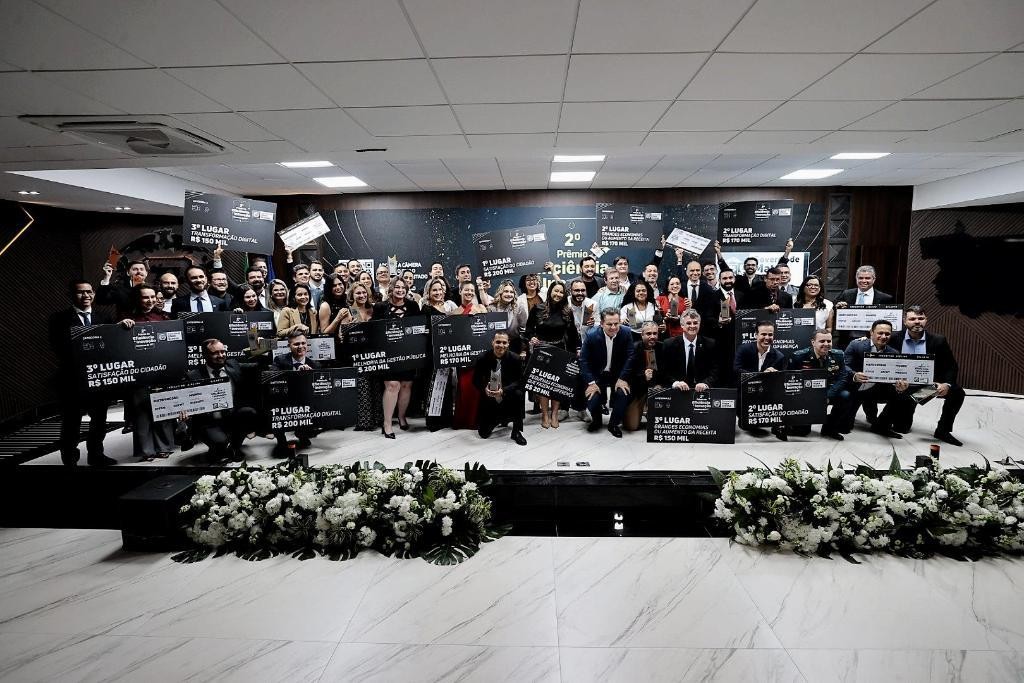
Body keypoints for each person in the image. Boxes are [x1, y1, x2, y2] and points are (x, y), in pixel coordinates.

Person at [48, 280, 117, 466]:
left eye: (89, 292)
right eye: (80, 292)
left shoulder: (105, 318)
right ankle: (70, 458)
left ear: (93, 293)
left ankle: (96, 454)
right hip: (72, 379)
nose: (86, 295)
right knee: (72, 422)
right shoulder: (58, 319)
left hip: (99, 378)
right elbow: (59, 347)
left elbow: (112, 345)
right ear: (71, 295)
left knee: (99, 420)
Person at [890, 305, 965, 446]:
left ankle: (943, 430)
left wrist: (946, 384)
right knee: (901, 428)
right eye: (912, 319)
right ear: (904, 321)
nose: (917, 322)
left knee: (957, 392)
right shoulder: (894, 338)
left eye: (921, 318)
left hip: (927, 388)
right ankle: (908, 406)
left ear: (926, 320)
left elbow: (951, 366)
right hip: (903, 388)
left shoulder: (938, 340)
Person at [181, 338, 258, 464]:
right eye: (215, 353)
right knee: (220, 444)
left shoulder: (233, 365)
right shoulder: (194, 376)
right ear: (205, 355)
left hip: (232, 417)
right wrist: (184, 414)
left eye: (222, 351)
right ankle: (219, 447)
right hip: (209, 422)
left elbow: (257, 367)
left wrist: (259, 350)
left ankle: (235, 446)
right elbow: (184, 401)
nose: (221, 355)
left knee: (249, 413)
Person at [121, 285, 175, 461]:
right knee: (141, 413)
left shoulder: (163, 317)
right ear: (137, 299)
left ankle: (164, 447)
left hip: (162, 372)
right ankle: (146, 451)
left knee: (163, 409)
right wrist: (120, 327)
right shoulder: (126, 318)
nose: (151, 300)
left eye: (153, 297)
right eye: (146, 297)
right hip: (138, 374)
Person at [843, 319, 914, 439]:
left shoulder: (893, 352)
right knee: (844, 426)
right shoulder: (856, 345)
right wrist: (854, 375)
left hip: (876, 389)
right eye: (880, 333)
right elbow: (844, 366)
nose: (884, 336)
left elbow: (896, 376)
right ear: (871, 332)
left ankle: (882, 426)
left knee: (903, 394)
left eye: (887, 334)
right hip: (856, 387)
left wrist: (900, 386)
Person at [525, 281, 581, 429]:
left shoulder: (567, 311)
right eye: (556, 291)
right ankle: (545, 414)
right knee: (543, 384)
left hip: (560, 350)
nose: (558, 294)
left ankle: (555, 413)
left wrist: (578, 348)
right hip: (542, 350)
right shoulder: (538, 308)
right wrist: (532, 337)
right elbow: (528, 330)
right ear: (550, 291)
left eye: (561, 292)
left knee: (556, 384)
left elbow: (573, 333)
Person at [374, 279, 420, 438]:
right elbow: (375, 329)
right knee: (393, 385)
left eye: (403, 288)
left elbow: (418, 327)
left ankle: (401, 417)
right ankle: (387, 424)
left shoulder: (413, 306)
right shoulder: (380, 307)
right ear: (391, 289)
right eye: (397, 287)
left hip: (408, 353)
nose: (400, 290)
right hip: (388, 354)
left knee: (406, 385)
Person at [579, 308, 635, 438]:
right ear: (602, 324)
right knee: (592, 398)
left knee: (623, 394)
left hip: (617, 374)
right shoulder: (591, 335)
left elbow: (631, 356)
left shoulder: (626, 332)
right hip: (597, 374)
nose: (613, 327)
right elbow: (583, 360)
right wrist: (591, 383)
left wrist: (623, 378)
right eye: (609, 324)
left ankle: (613, 424)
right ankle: (597, 421)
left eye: (616, 323)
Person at [788, 329, 851, 441]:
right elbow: (791, 380)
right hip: (806, 393)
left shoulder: (838, 355)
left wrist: (827, 396)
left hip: (828, 390)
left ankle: (830, 428)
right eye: (822, 341)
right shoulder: (799, 356)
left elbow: (842, 378)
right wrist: (813, 398)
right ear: (813, 342)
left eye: (829, 341)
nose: (826, 344)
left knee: (845, 395)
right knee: (803, 432)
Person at [734, 320, 789, 441]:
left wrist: (775, 376)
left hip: (766, 394)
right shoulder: (744, 349)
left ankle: (778, 425)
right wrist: (761, 376)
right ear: (756, 335)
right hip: (745, 394)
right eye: (763, 334)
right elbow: (737, 370)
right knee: (746, 425)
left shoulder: (779, 356)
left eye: (770, 334)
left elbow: (781, 383)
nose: (767, 337)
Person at [472, 331, 528, 446]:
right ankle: (497, 419)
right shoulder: (482, 358)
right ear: (492, 342)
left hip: (508, 394)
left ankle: (516, 431)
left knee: (519, 393)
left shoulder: (516, 359)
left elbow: (520, 381)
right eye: (498, 342)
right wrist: (484, 388)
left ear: (508, 344)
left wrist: (503, 391)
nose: (501, 345)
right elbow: (475, 380)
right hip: (489, 397)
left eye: (504, 342)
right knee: (483, 434)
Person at [271, 330, 320, 455]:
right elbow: (272, 379)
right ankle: (281, 440)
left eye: (303, 343)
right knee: (274, 406)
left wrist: (310, 376)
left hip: (304, 400)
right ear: (289, 346)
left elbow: (318, 389)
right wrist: (295, 374)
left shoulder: (314, 364)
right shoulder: (279, 360)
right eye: (296, 344)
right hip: (284, 399)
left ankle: (302, 434)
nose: (301, 346)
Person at [623, 321, 668, 432]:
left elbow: (667, 372)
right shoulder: (633, 349)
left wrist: (659, 384)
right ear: (642, 335)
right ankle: (641, 408)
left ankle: (650, 409)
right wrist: (643, 376)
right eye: (648, 334)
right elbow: (627, 375)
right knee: (631, 426)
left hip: (656, 388)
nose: (652, 336)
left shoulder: (664, 348)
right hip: (638, 390)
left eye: (655, 333)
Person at [661, 310, 718, 392]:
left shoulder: (710, 344)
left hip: (701, 391)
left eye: (695, 323)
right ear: (682, 325)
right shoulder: (669, 344)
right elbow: (664, 371)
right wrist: (676, 383)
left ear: (699, 324)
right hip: (678, 391)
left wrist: (706, 383)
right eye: (688, 323)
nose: (692, 326)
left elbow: (715, 370)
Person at [488, 279, 528, 356]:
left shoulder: (519, 307)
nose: (509, 294)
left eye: (511, 292)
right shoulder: (492, 308)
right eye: (506, 291)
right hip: (496, 345)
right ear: (500, 293)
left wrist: (524, 349)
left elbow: (524, 329)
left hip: (514, 344)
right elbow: (489, 331)